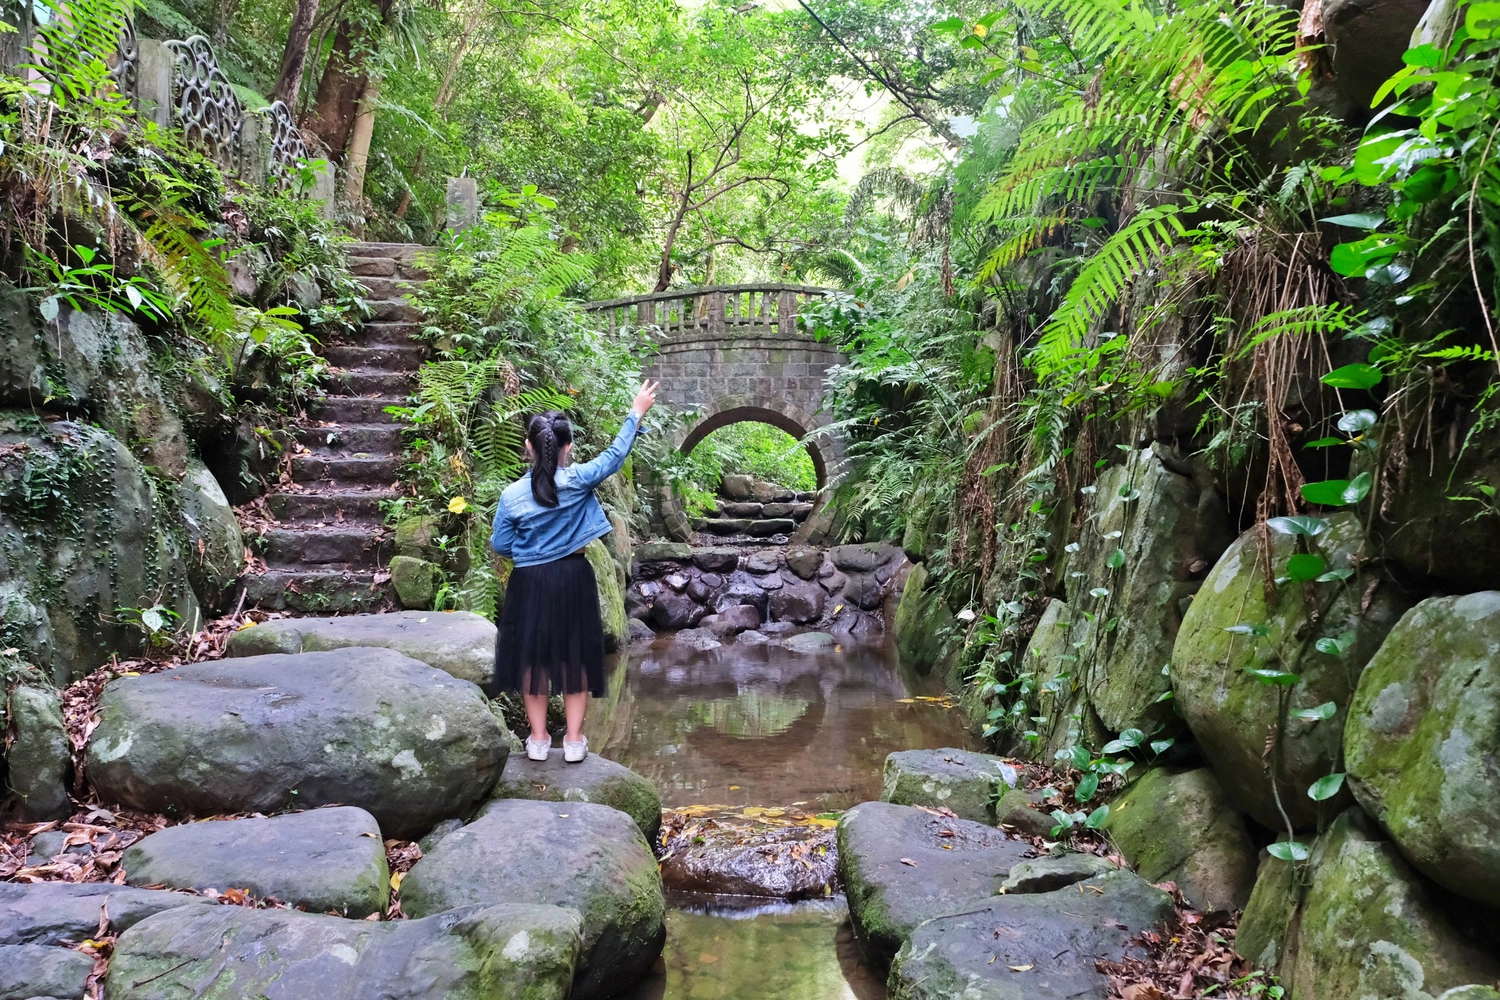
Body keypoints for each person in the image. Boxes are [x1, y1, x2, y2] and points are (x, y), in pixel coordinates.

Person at [489, 380, 658, 763]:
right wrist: (636, 412)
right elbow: (615, 455)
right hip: (572, 578)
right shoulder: (579, 480)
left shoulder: (511, 496)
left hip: (529, 582)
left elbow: (500, 545)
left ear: (528, 447)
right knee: (574, 657)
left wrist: (533, 551)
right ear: (567, 448)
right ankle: (575, 741)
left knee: (533, 658)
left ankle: (537, 740)